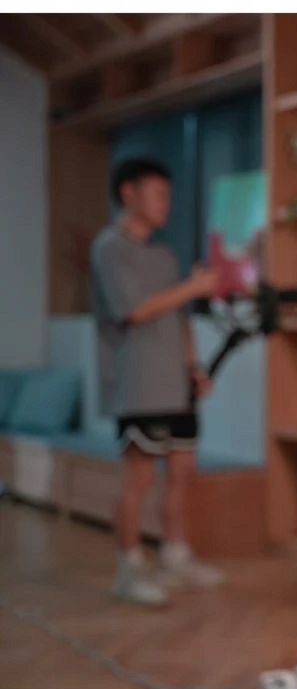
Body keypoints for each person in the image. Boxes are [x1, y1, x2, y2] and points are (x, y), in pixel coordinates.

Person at [91, 158, 223, 606]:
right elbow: (134, 310)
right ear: (129, 193)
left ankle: (175, 555)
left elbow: (179, 319)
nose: (167, 202)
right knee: (139, 477)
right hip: (138, 384)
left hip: (176, 384)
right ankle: (129, 568)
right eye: (159, 193)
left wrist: (194, 367)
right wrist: (192, 287)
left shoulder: (165, 255)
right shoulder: (110, 247)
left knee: (182, 471)